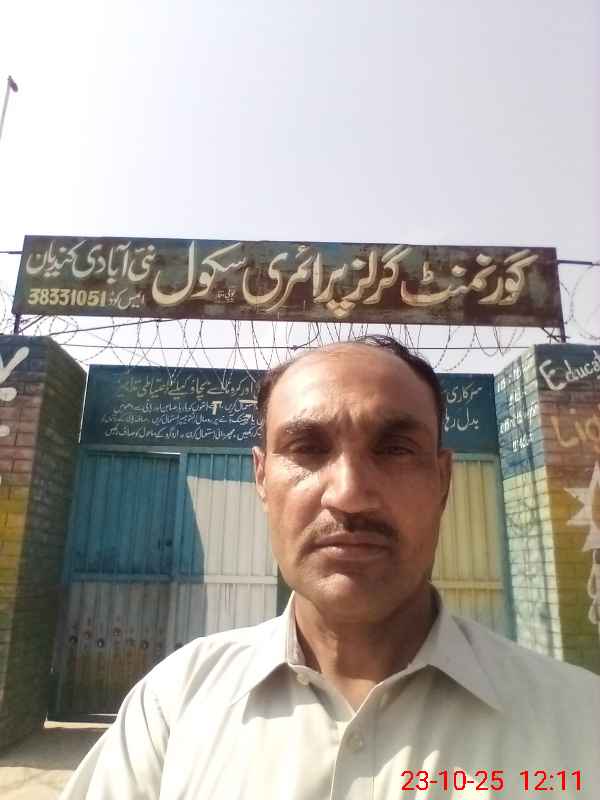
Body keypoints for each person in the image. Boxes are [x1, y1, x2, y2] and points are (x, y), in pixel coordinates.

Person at [61, 335, 600, 799]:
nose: (349, 495)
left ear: (443, 480)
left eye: (395, 449)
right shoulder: (174, 706)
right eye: (306, 447)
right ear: (261, 478)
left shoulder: (578, 721)